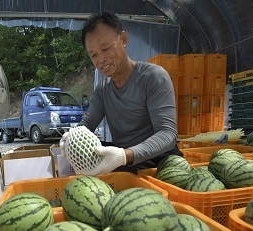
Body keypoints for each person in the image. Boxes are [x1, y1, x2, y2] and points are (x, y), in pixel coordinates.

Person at [60, 10, 183, 175]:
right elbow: (87, 126)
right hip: (124, 158)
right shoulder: (103, 90)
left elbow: (167, 134)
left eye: (105, 49)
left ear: (123, 39)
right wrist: (71, 137)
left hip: (159, 160)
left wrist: (125, 156)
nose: (101, 59)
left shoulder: (154, 77)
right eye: (94, 55)